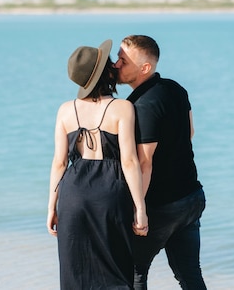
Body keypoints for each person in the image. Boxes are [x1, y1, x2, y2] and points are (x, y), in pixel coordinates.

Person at [47, 39, 149, 290]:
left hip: (73, 194)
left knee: (76, 272)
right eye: (109, 63)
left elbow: (59, 163)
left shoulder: (65, 110)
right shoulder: (122, 108)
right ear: (106, 73)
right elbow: (129, 161)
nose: (114, 65)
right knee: (115, 270)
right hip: (110, 194)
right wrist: (140, 207)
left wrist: (51, 205)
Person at [114, 35, 207, 290]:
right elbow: (190, 133)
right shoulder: (175, 88)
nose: (116, 65)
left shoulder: (141, 105)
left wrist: (138, 210)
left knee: (133, 275)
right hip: (191, 197)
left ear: (145, 68)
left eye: (122, 60)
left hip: (160, 206)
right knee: (190, 276)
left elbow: (144, 163)